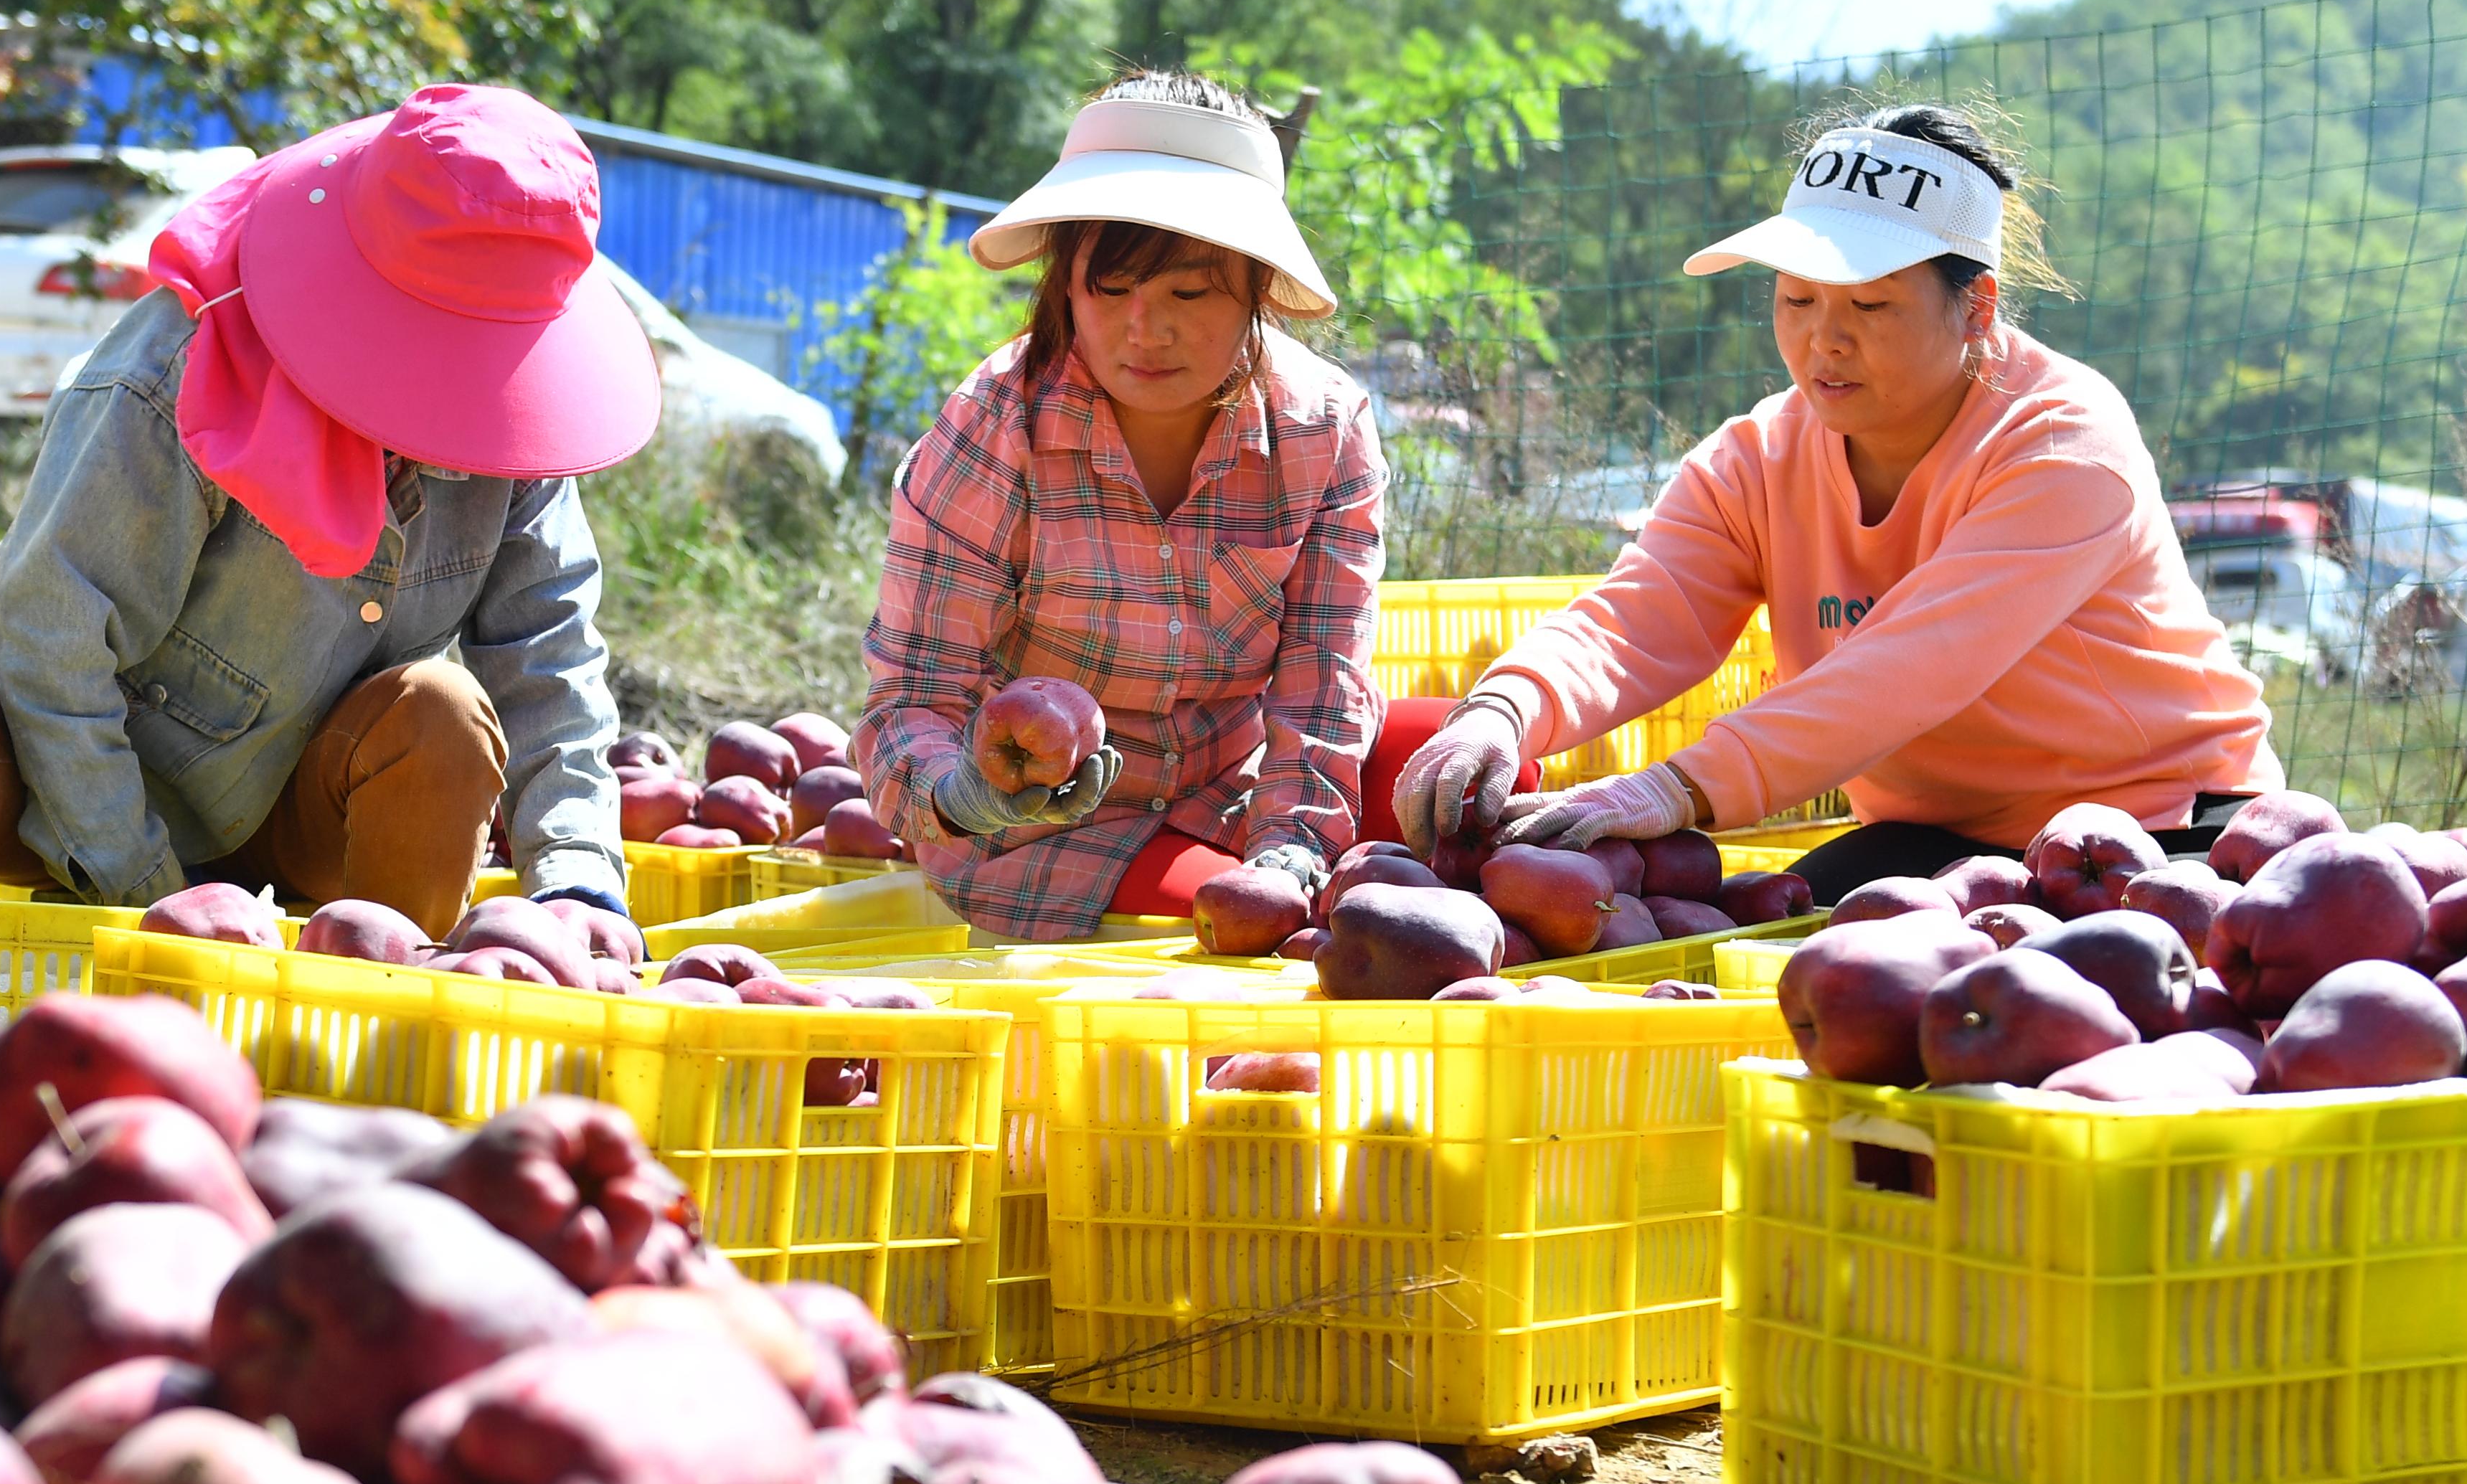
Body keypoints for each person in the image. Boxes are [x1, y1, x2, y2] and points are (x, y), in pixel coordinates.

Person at [0, 85, 658, 938]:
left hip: (302, 800)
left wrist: (578, 878)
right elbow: (50, 637)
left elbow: (549, 650)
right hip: (65, 775)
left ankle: (378, 1013)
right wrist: (151, 897)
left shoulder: (515, 419)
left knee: (443, 712)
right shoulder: (184, 368)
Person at [1390, 105, 2275, 899]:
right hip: (1940, 841)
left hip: (2162, 828)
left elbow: (1910, 667)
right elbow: (1639, 616)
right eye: (1797, 298)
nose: (1825, 340)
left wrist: (1670, 789)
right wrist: (1503, 710)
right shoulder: (1755, 460)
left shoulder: (2062, 442)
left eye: (1872, 304)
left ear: (1977, 308)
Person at [854, 72, 1386, 941]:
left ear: (1256, 290)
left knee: (1463, 779)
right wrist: (964, 796)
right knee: (1244, 925)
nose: (1147, 330)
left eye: (1189, 293)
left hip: (1231, 791)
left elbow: (1324, 682)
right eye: (1111, 290)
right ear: (1065, 286)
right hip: (1044, 835)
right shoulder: (995, 427)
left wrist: (1293, 849)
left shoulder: (1322, 429)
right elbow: (913, 693)